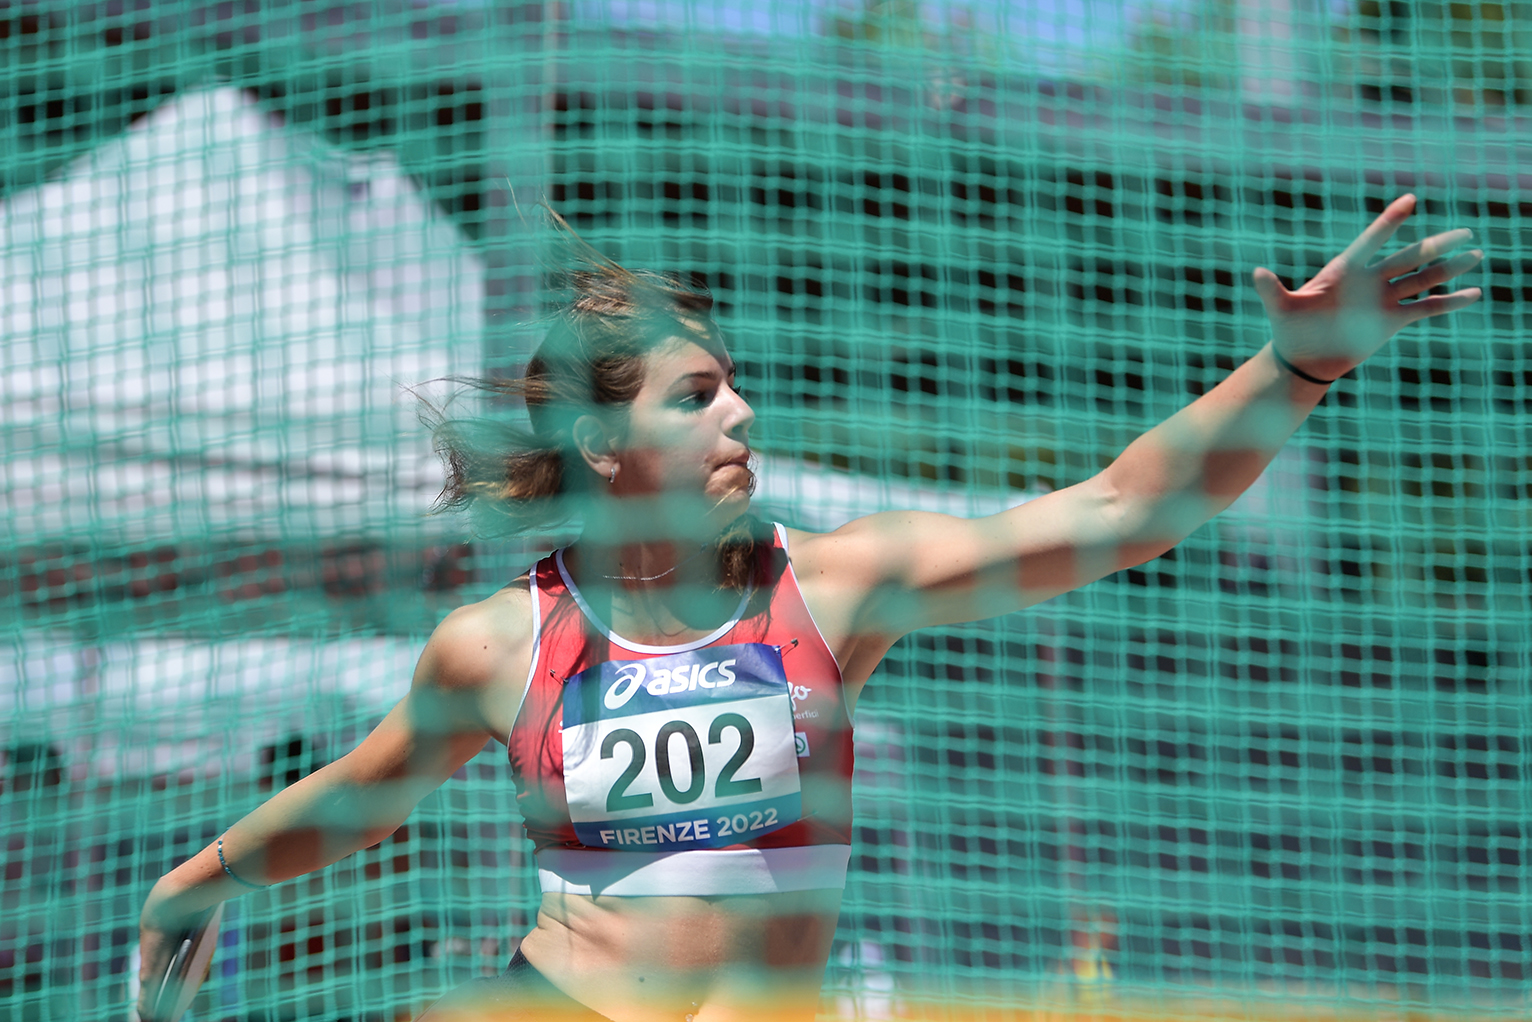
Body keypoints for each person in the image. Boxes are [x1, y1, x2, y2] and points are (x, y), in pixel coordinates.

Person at [138, 196, 1481, 1021]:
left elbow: (1126, 509)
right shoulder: (499, 643)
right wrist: (195, 882)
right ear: (605, 446)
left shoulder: (834, 587)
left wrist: (1298, 368)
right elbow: (359, 798)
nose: (742, 412)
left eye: (734, 384)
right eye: (696, 395)